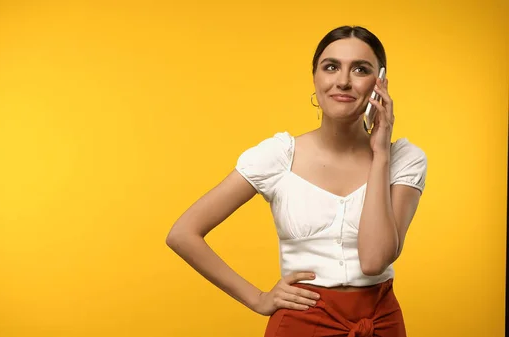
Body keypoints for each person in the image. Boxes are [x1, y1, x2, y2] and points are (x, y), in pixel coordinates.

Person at [165, 25, 427, 337]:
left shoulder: (404, 160)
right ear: (315, 77)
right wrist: (258, 299)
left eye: (360, 69)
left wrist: (380, 153)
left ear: (380, 82)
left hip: (381, 324)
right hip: (301, 324)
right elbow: (182, 234)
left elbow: (373, 261)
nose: (342, 81)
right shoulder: (278, 156)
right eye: (331, 67)